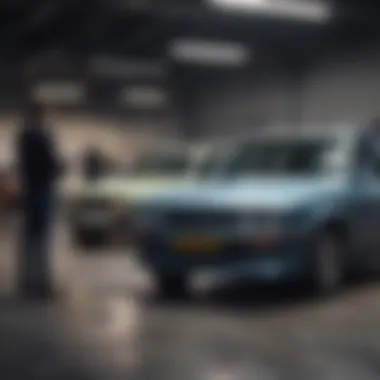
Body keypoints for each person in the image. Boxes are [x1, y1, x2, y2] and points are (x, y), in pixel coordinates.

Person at [16, 102, 63, 299]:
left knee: (34, 238)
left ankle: (33, 280)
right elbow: (47, 162)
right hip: (39, 189)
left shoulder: (30, 135)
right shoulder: (34, 136)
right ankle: (38, 282)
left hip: (36, 189)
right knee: (38, 239)